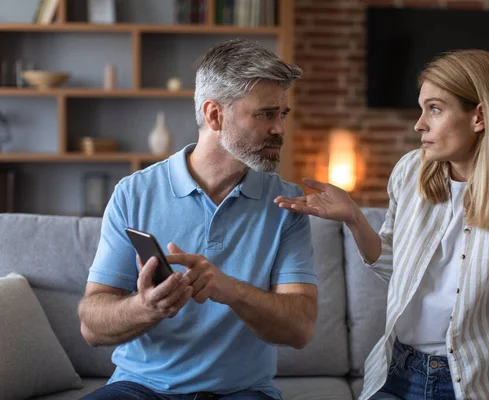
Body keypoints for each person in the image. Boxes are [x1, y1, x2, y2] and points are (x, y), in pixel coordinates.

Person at [275, 49, 489, 400]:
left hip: (480, 384)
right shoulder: (409, 171)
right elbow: (394, 266)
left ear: (479, 117)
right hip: (398, 372)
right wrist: (354, 217)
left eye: (435, 108)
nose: (419, 124)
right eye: (422, 108)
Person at [78, 38, 318, 400]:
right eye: (266, 114)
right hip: (140, 388)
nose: (280, 129)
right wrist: (145, 307)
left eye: (283, 114)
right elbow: (91, 325)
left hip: (243, 392)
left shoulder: (287, 203)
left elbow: (300, 329)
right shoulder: (134, 192)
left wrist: (229, 289)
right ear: (214, 115)